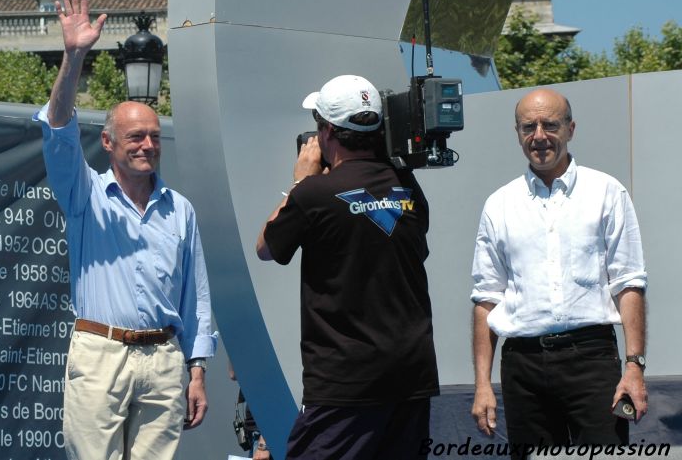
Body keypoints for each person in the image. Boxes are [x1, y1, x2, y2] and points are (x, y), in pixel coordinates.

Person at [33, 0, 217, 460]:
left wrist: (196, 371)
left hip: (164, 360)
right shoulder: (84, 194)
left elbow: (195, 299)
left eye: (155, 137)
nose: (147, 145)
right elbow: (57, 131)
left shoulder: (180, 209)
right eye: (135, 136)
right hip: (101, 354)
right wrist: (74, 56)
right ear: (109, 143)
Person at [256, 75, 438, 460]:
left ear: (327, 132)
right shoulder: (405, 183)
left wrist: (298, 182)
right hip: (411, 375)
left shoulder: (313, 194)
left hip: (345, 380)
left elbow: (266, 247)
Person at [470, 88, 648, 458]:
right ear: (517, 133)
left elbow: (628, 283)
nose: (539, 136)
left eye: (550, 124)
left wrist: (634, 366)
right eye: (528, 127)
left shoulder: (606, 192)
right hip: (523, 365)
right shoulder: (499, 204)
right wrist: (482, 384)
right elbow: (487, 298)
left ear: (571, 128)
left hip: (591, 359)